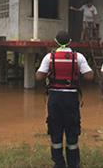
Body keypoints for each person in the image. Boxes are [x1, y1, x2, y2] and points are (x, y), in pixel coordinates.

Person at [36, 31, 93, 168]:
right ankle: (73, 164)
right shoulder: (78, 57)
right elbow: (89, 76)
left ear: (55, 42)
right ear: (70, 42)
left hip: (55, 98)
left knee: (55, 130)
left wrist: (50, 71)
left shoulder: (49, 57)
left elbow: (39, 76)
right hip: (71, 98)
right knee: (72, 130)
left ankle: (59, 163)